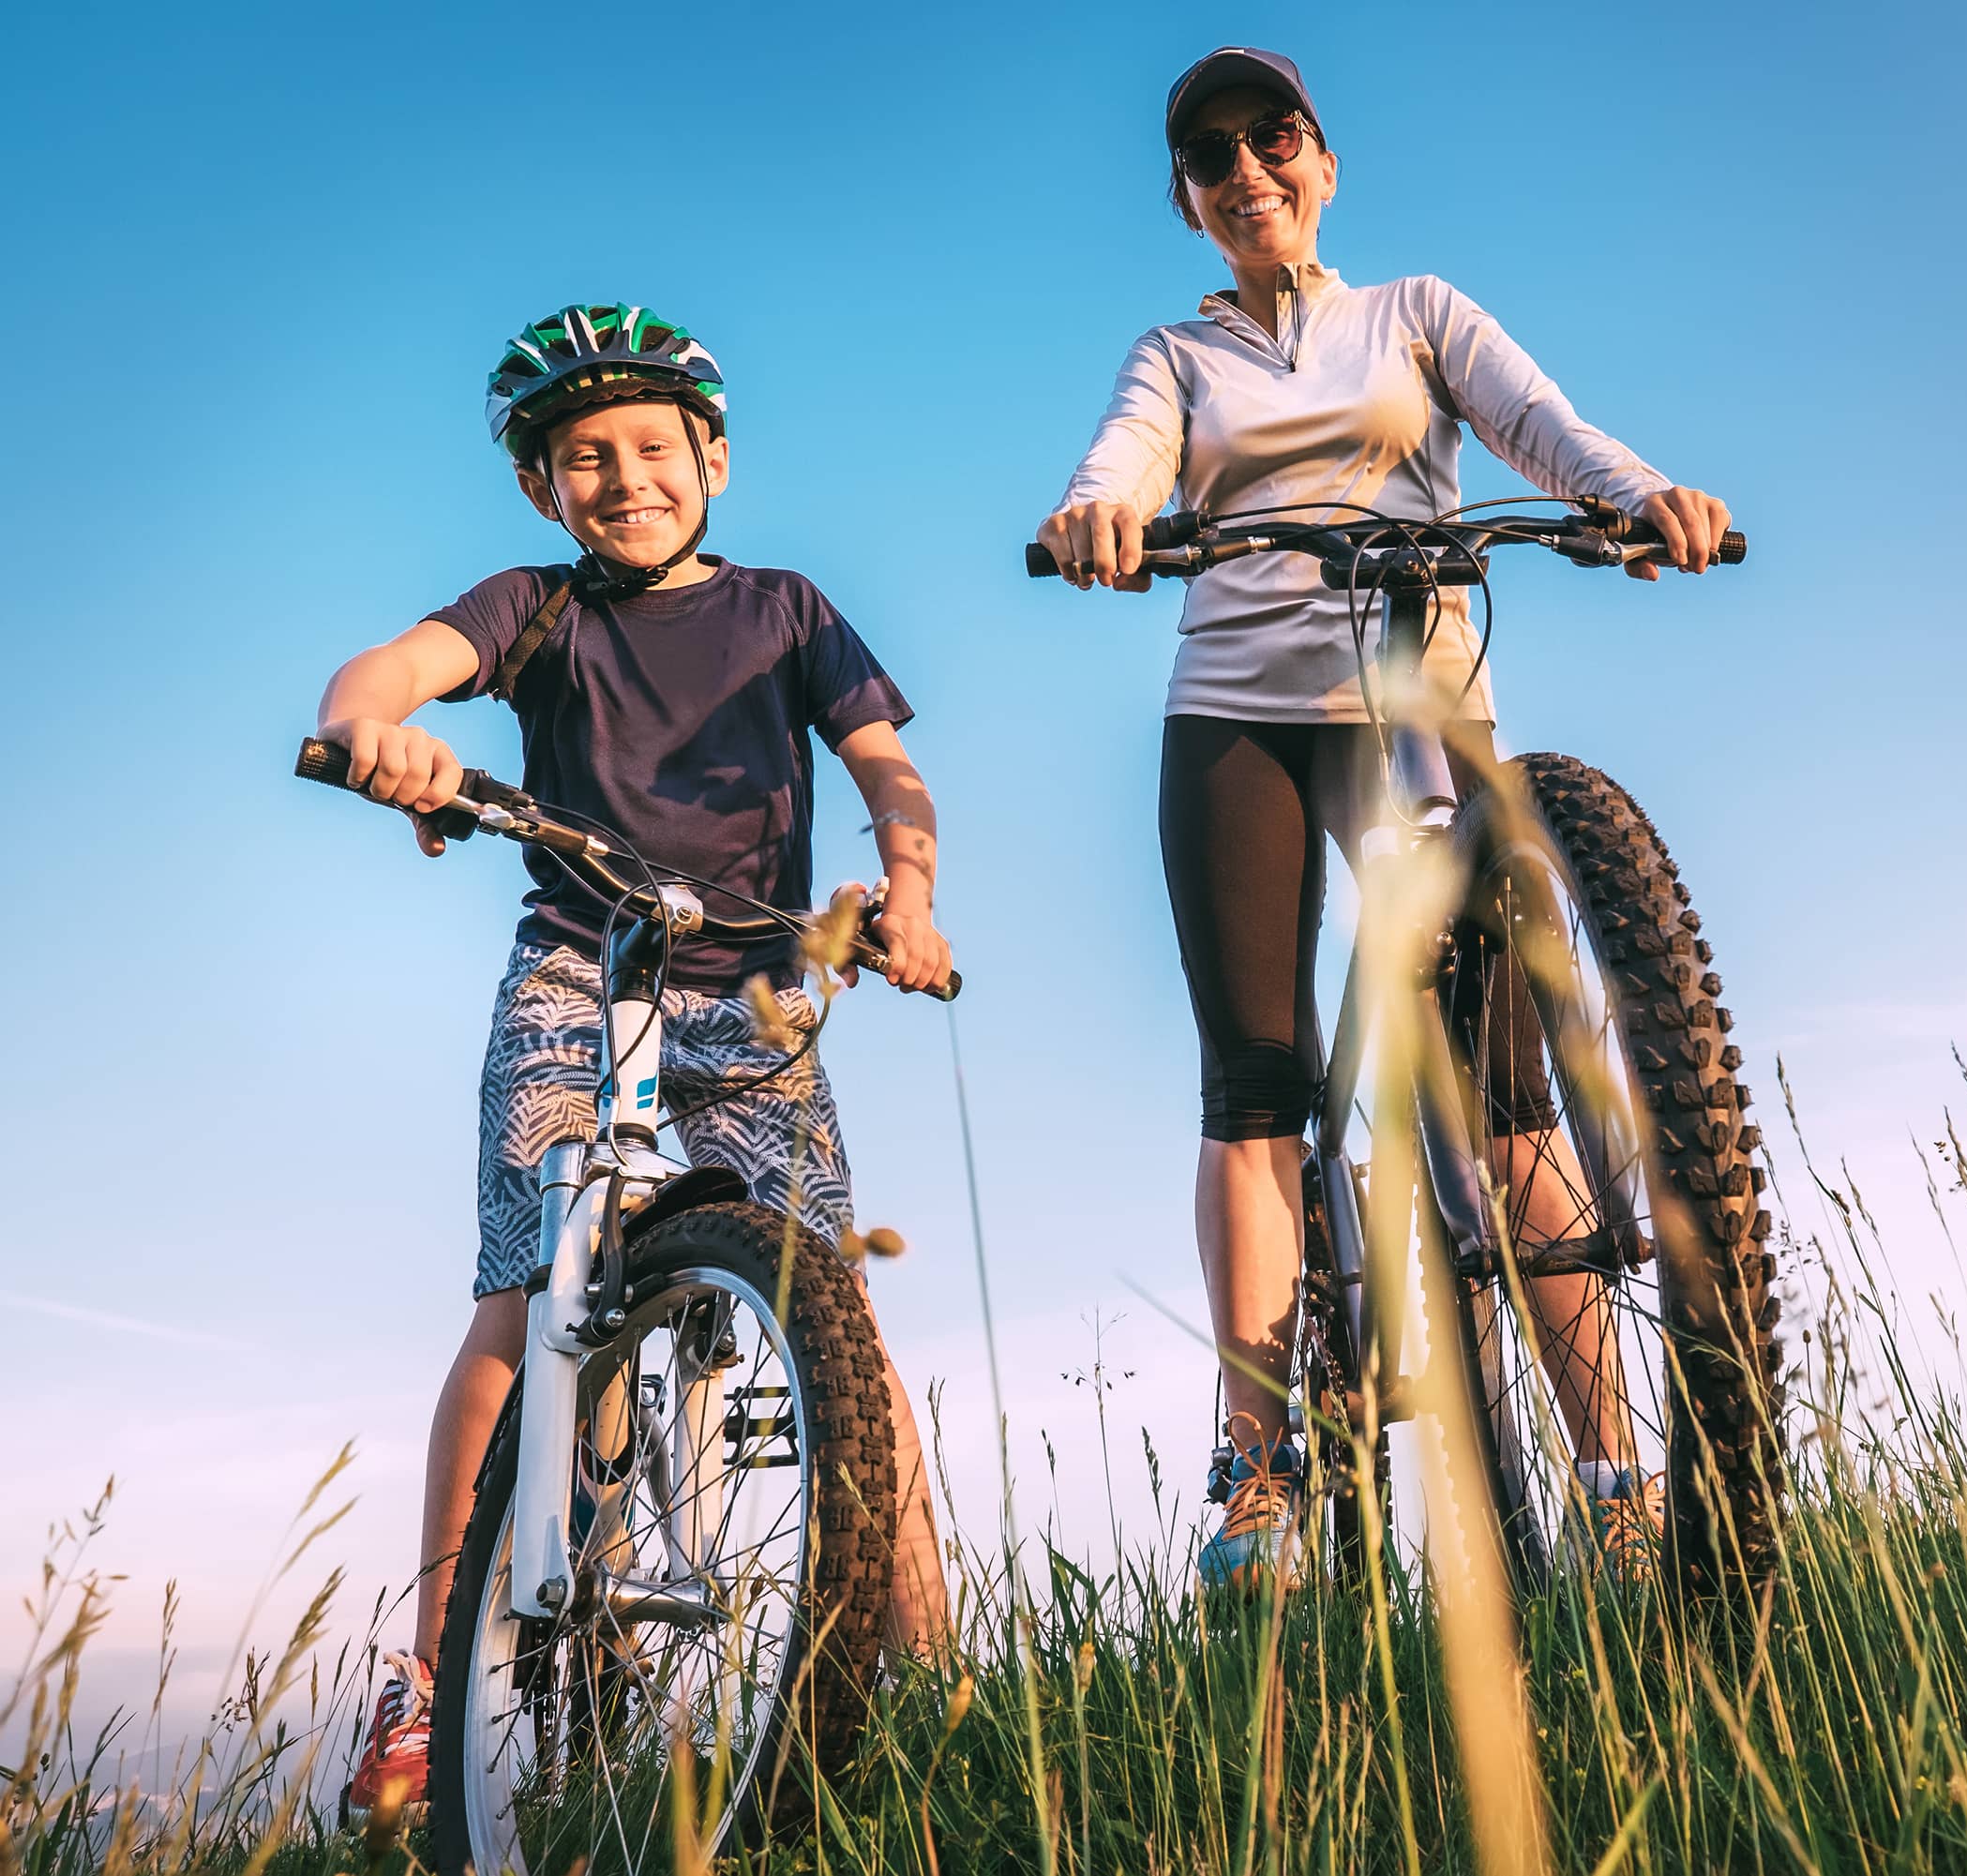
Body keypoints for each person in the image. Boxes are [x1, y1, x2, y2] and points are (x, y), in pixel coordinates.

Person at [1036, 49, 1734, 1592]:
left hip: (1423, 707)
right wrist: (1099, 512)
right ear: (1189, 201)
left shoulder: (1414, 312)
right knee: (1259, 1086)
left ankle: (1614, 1476)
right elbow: (1126, 462)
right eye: (1209, 157)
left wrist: (1637, 497)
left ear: (1321, 161)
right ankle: (1263, 1467)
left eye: (1270, 136)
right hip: (1240, 715)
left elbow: (1543, 427)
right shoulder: (1175, 352)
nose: (1245, 167)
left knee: (1506, 1098)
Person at [323, 304, 955, 1820]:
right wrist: (373, 733)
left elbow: (886, 769)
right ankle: (428, 1683)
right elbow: (385, 672)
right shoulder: (535, 607)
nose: (624, 477)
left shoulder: (791, 612)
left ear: (712, 459)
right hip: (581, 974)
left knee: (838, 1321)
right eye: (584, 457)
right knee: (533, 1289)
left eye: (653, 448)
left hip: (758, 1001)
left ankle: (929, 1668)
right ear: (546, 489)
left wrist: (910, 894)